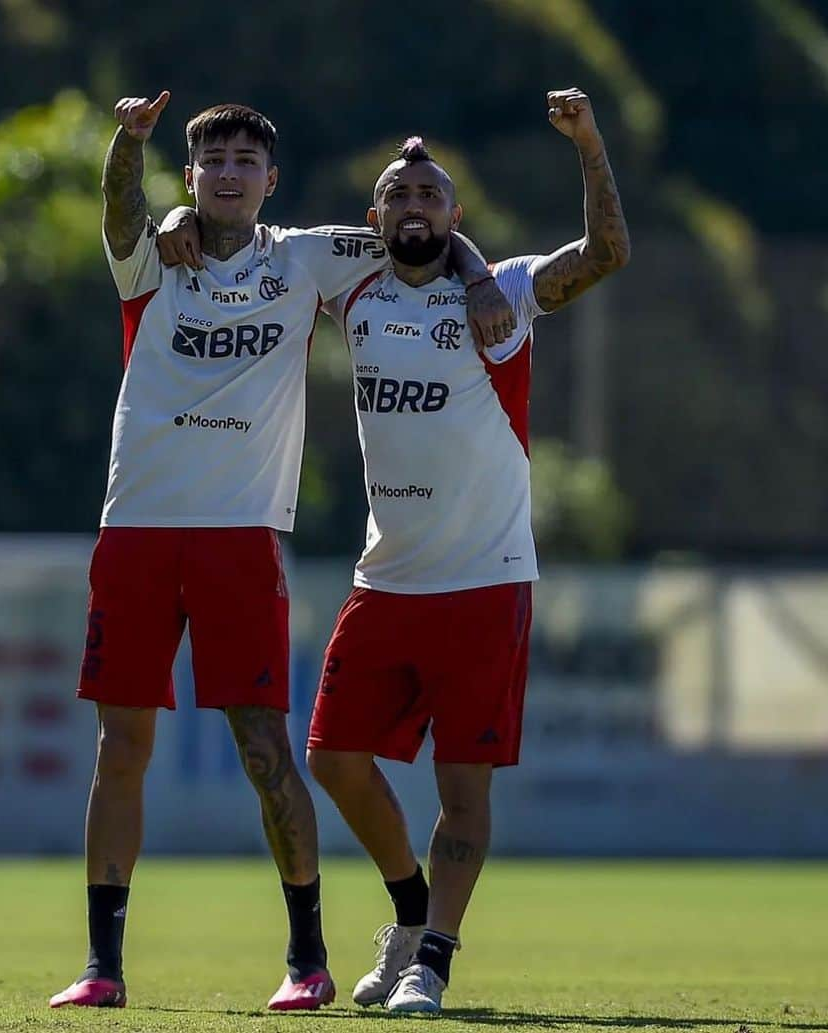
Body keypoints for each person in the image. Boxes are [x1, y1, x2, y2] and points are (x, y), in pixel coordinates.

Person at [48, 91, 515, 1012]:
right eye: (210, 162)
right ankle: (104, 965)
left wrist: (479, 272)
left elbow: (409, 229)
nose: (227, 174)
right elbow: (118, 213)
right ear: (189, 177)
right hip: (135, 527)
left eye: (243, 162)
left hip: (241, 534)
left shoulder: (306, 258)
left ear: (271, 180)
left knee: (265, 748)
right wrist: (126, 142)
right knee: (122, 746)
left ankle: (308, 957)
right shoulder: (156, 254)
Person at [305, 87, 630, 1014]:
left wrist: (590, 147)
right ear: (374, 220)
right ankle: (410, 909)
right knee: (331, 757)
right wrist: (170, 216)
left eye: (431, 196)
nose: (414, 207)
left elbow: (609, 254)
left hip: (485, 580)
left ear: (457, 216)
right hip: (388, 575)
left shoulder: (511, 291)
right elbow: (242, 232)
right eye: (398, 197)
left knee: (462, 783)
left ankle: (433, 960)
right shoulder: (346, 280)